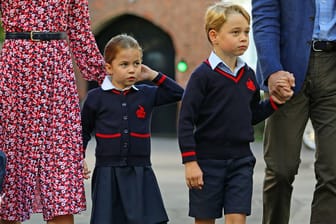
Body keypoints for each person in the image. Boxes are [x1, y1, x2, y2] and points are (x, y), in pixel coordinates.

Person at [177, 2, 294, 224]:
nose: (244, 38)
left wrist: (274, 102)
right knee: (205, 220)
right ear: (214, 36)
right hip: (207, 162)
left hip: (241, 161)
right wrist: (190, 162)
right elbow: (185, 121)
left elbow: (251, 116)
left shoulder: (249, 76)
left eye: (246, 32)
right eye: (235, 32)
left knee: (237, 219)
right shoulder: (201, 76)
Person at [0, 0, 106, 223]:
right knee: (10, 166)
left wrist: (106, 78)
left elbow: (80, 30)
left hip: (56, 70)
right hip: (15, 68)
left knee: (61, 163)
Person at [81, 33, 184, 224]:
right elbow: (83, 131)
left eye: (136, 64)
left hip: (140, 171)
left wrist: (153, 75)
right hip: (107, 173)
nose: (132, 70)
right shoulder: (96, 98)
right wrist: (78, 158)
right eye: (124, 64)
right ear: (108, 67)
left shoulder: (146, 94)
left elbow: (178, 93)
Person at [252, 1, 336, 224]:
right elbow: (265, 15)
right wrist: (272, 70)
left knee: (333, 172)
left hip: (333, 68)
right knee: (280, 169)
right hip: (288, 68)